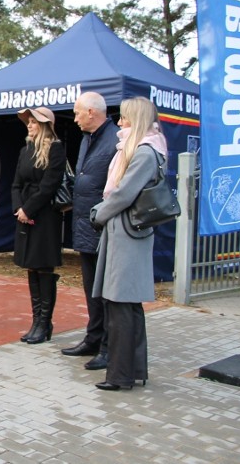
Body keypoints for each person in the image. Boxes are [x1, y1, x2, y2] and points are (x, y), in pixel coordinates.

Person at [90, 96, 166, 391]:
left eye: (124, 118)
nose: (119, 123)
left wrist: (99, 213)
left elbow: (123, 194)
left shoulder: (144, 153)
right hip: (127, 232)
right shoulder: (145, 150)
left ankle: (120, 375)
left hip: (127, 234)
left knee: (121, 304)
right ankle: (130, 371)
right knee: (126, 305)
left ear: (136, 120)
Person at [61, 92, 121, 370]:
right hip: (85, 226)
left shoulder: (115, 141)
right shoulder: (88, 139)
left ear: (92, 113)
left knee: (106, 292)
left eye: (76, 113)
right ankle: (93, 338)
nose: (74, 119)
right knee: (91, 289)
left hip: (104, 229)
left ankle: (109, 347)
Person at [11, 107, 66, 344]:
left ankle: (44, 323)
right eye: (28, 122)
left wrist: (28, 209)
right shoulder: (25, 150)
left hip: (45, 217)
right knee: (30, 267)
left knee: (44, 267)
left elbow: (49, 186)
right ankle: (36, 321)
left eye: (34, 122)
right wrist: (19, 209)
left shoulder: (56, 148)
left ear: (44, 125)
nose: (29, 125)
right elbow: (15, 183)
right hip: (25, 215)